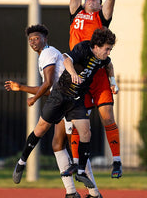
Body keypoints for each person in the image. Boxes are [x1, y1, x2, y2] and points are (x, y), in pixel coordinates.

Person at [12, 27, 116, 190]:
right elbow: (66, 58)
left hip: (76, 100)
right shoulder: (84, 47)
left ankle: (80, 171)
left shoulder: (102, 58)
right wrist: (73, 73)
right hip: (60, 96)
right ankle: (21, 161)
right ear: (97, 46)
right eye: (107, 49)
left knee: (86, 132)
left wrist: (113, 82)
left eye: (110, 49)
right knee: (40, 130)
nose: (108, 52)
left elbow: (109, 65)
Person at [67, 0, 122, 179]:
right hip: (78, 73)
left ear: (100, 6)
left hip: (97, 73)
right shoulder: (76, 12)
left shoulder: (102, 17)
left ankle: (117, 162)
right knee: (79, 122)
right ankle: (77, 163)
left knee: (107, 116)